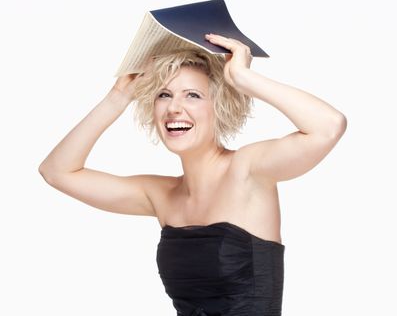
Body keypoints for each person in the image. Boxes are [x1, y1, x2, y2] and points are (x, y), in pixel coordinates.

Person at [38, 33, 347, 315]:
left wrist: (242, 77)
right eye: (163, 95)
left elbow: (329, 126)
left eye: (192, 95)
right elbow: (56, 171)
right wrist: (117, 98)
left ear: (220, 106)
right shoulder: (160, 195)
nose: (174, 108)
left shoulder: (249, 169)